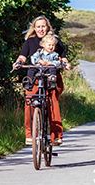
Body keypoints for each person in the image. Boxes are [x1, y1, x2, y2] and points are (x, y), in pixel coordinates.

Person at [14, 16, 68, 146]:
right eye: (38, 27)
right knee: (29, 101)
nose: (41, 29)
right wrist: (18, 63)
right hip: (35, 78)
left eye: (43, 26)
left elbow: (63, 57)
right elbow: (22, 56)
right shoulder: (30, 41)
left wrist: (66, 64)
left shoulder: (55, 41)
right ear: (34, 28)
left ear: (48, 27)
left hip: (51, 78)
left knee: (52, 101)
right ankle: (31, 134)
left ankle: (56, 136)